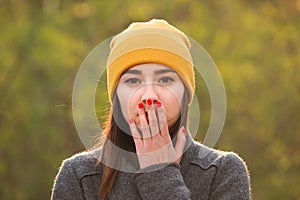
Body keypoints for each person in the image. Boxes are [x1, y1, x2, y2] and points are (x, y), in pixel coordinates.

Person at [51, 19, 252, 200]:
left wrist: (160, 173)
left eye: (165, 80)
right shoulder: (79, 175)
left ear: (185, 92)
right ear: (116, 96)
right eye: (133, 80)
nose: (149, 96)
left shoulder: (222, 170)